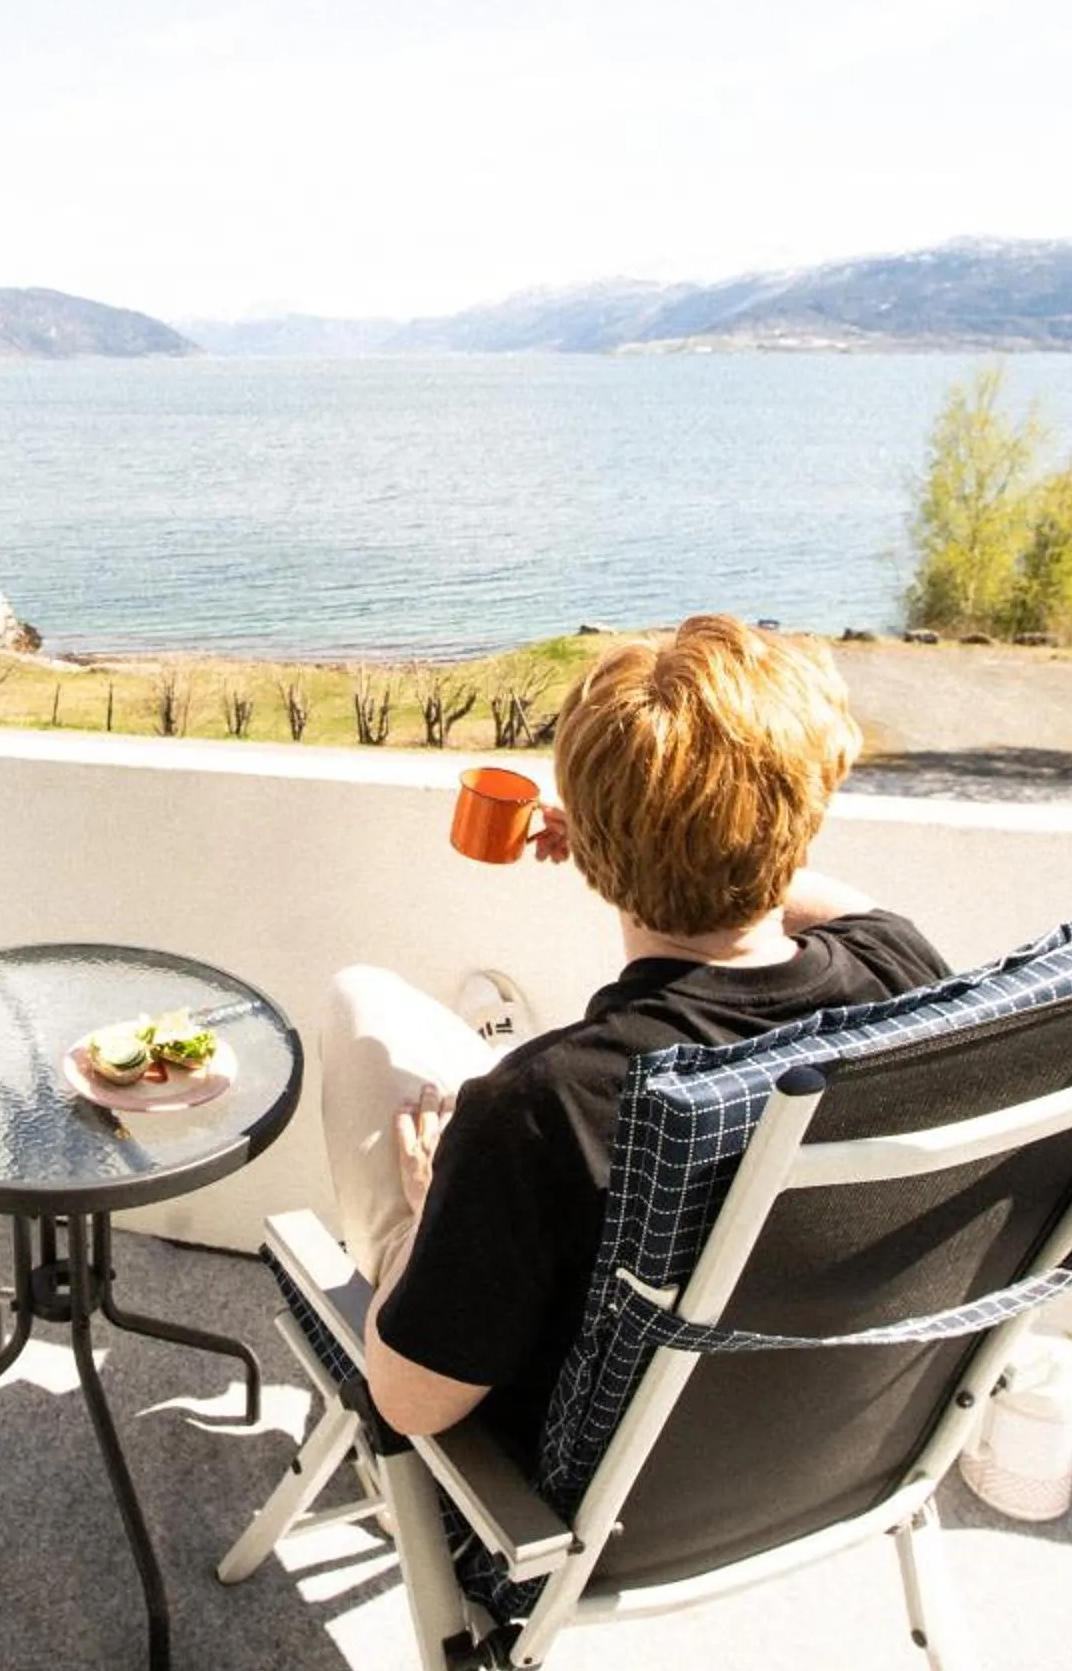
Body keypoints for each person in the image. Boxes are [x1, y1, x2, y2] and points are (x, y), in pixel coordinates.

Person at [322, 614, 947, 1454]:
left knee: (361, 1002)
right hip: (843, 1441)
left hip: (578, 1506)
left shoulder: (546, 1107)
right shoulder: (902, 973)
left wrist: (433, 1207)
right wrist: (689, 823)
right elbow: (817, 888)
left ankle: (442, 1224)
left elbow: (407, 1406)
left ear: (586, 840)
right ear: (808, 810)